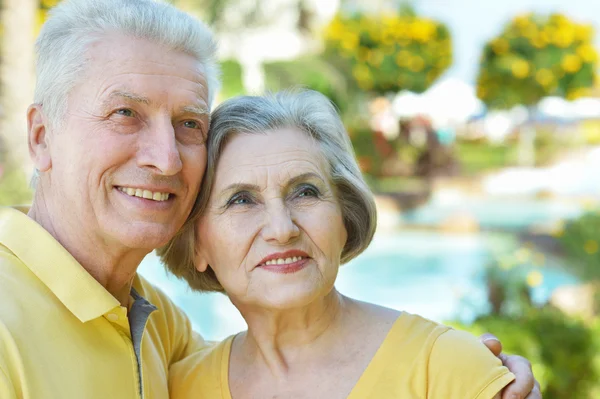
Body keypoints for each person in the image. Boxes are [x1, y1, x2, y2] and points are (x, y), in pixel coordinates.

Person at [0, 0, 539, 398]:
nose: (164, 158)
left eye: (189, 123)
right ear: (42, 136)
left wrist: (468, 372)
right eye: (125, 114)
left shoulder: (157, 331)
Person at [161, 90, 539, 398]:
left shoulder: (446, 369)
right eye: (241, 199)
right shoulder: (179, 386)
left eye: (305, 192)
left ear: (344, 218)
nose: (282, 228)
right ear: (197, 245)